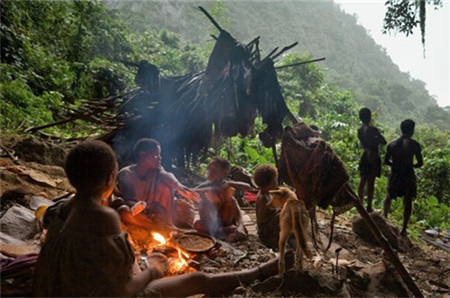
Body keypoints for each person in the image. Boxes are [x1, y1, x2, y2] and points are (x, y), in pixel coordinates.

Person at [33, 140, 292, 297]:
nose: (159, 159)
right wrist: (153, 270)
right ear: (111, 179)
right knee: (196, 281)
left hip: (63, 289)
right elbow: (124, 290)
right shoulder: (104, 216)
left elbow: (177, 185)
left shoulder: (62, 209)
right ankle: (260, 271)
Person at [116, 138, 199, 233]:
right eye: (156, 155)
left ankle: (168, 224)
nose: (160, 158)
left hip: (153, 211)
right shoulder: (126, 174)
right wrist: (138, 206)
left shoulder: (155, 169)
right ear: (142, 155)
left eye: (159, 155)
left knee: (166, 187)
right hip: (137, 212)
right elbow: (128, 199)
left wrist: (178, 186)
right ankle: (158, 228)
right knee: (124, 212)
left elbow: (166, 175)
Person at [194, 156, 250, 242]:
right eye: (210, 169)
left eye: (214, 170)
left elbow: (248, 186)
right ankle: (224, 232)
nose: (210, 172)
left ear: (225, 173)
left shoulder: (227, 184)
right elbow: (191, 191)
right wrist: (211, 190)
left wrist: (229, 183)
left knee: (231, 200)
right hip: (210, 224)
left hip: (226, 221)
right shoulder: (206, 185)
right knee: (197, 225)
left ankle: (240, 226)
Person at [383, 119, 423, 236]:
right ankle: (404, 229)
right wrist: (411, 165)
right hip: (408, 175)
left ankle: (384, 219)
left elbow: (386, 161)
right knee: (408, 200)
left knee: (389, 196)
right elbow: (420, 163)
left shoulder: (392, 144)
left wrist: (395, 165)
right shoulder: (415, 145)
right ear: (412, 131)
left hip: (395, 174)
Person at [357, 108, 386, 212]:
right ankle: (369, 206)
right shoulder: (374, 129)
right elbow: (383, 141)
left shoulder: (359, 130)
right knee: (371, 182)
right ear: (370, 117)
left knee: (362, 180)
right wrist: (377, 139)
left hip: (364, 154)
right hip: (373, 155)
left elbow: (363, 142)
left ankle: (359, 204)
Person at [253, 164, 281, 249]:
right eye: (275, 180)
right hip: (266, 233)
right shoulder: (263, 198)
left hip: (268, 227)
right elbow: (261, 219)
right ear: (271, 183)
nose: (277, 182)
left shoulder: (267, 194)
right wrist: (276, 214)